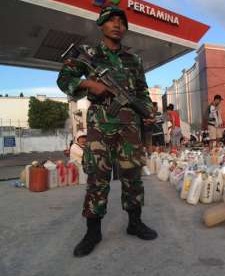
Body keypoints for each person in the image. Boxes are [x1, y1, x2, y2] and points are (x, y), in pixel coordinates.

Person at [57, 5, 157, 257]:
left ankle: (134, 223)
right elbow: (64, 79)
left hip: (130, 127)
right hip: (101, 127)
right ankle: (93, 231)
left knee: (132, 176)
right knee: (97, 178)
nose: (117, 25)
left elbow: (142, 93)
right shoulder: (89, 54)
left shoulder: (134, 60)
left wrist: (147, 112)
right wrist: (90, 84)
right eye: (111, 20)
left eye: (121, 21)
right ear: (101, 25)